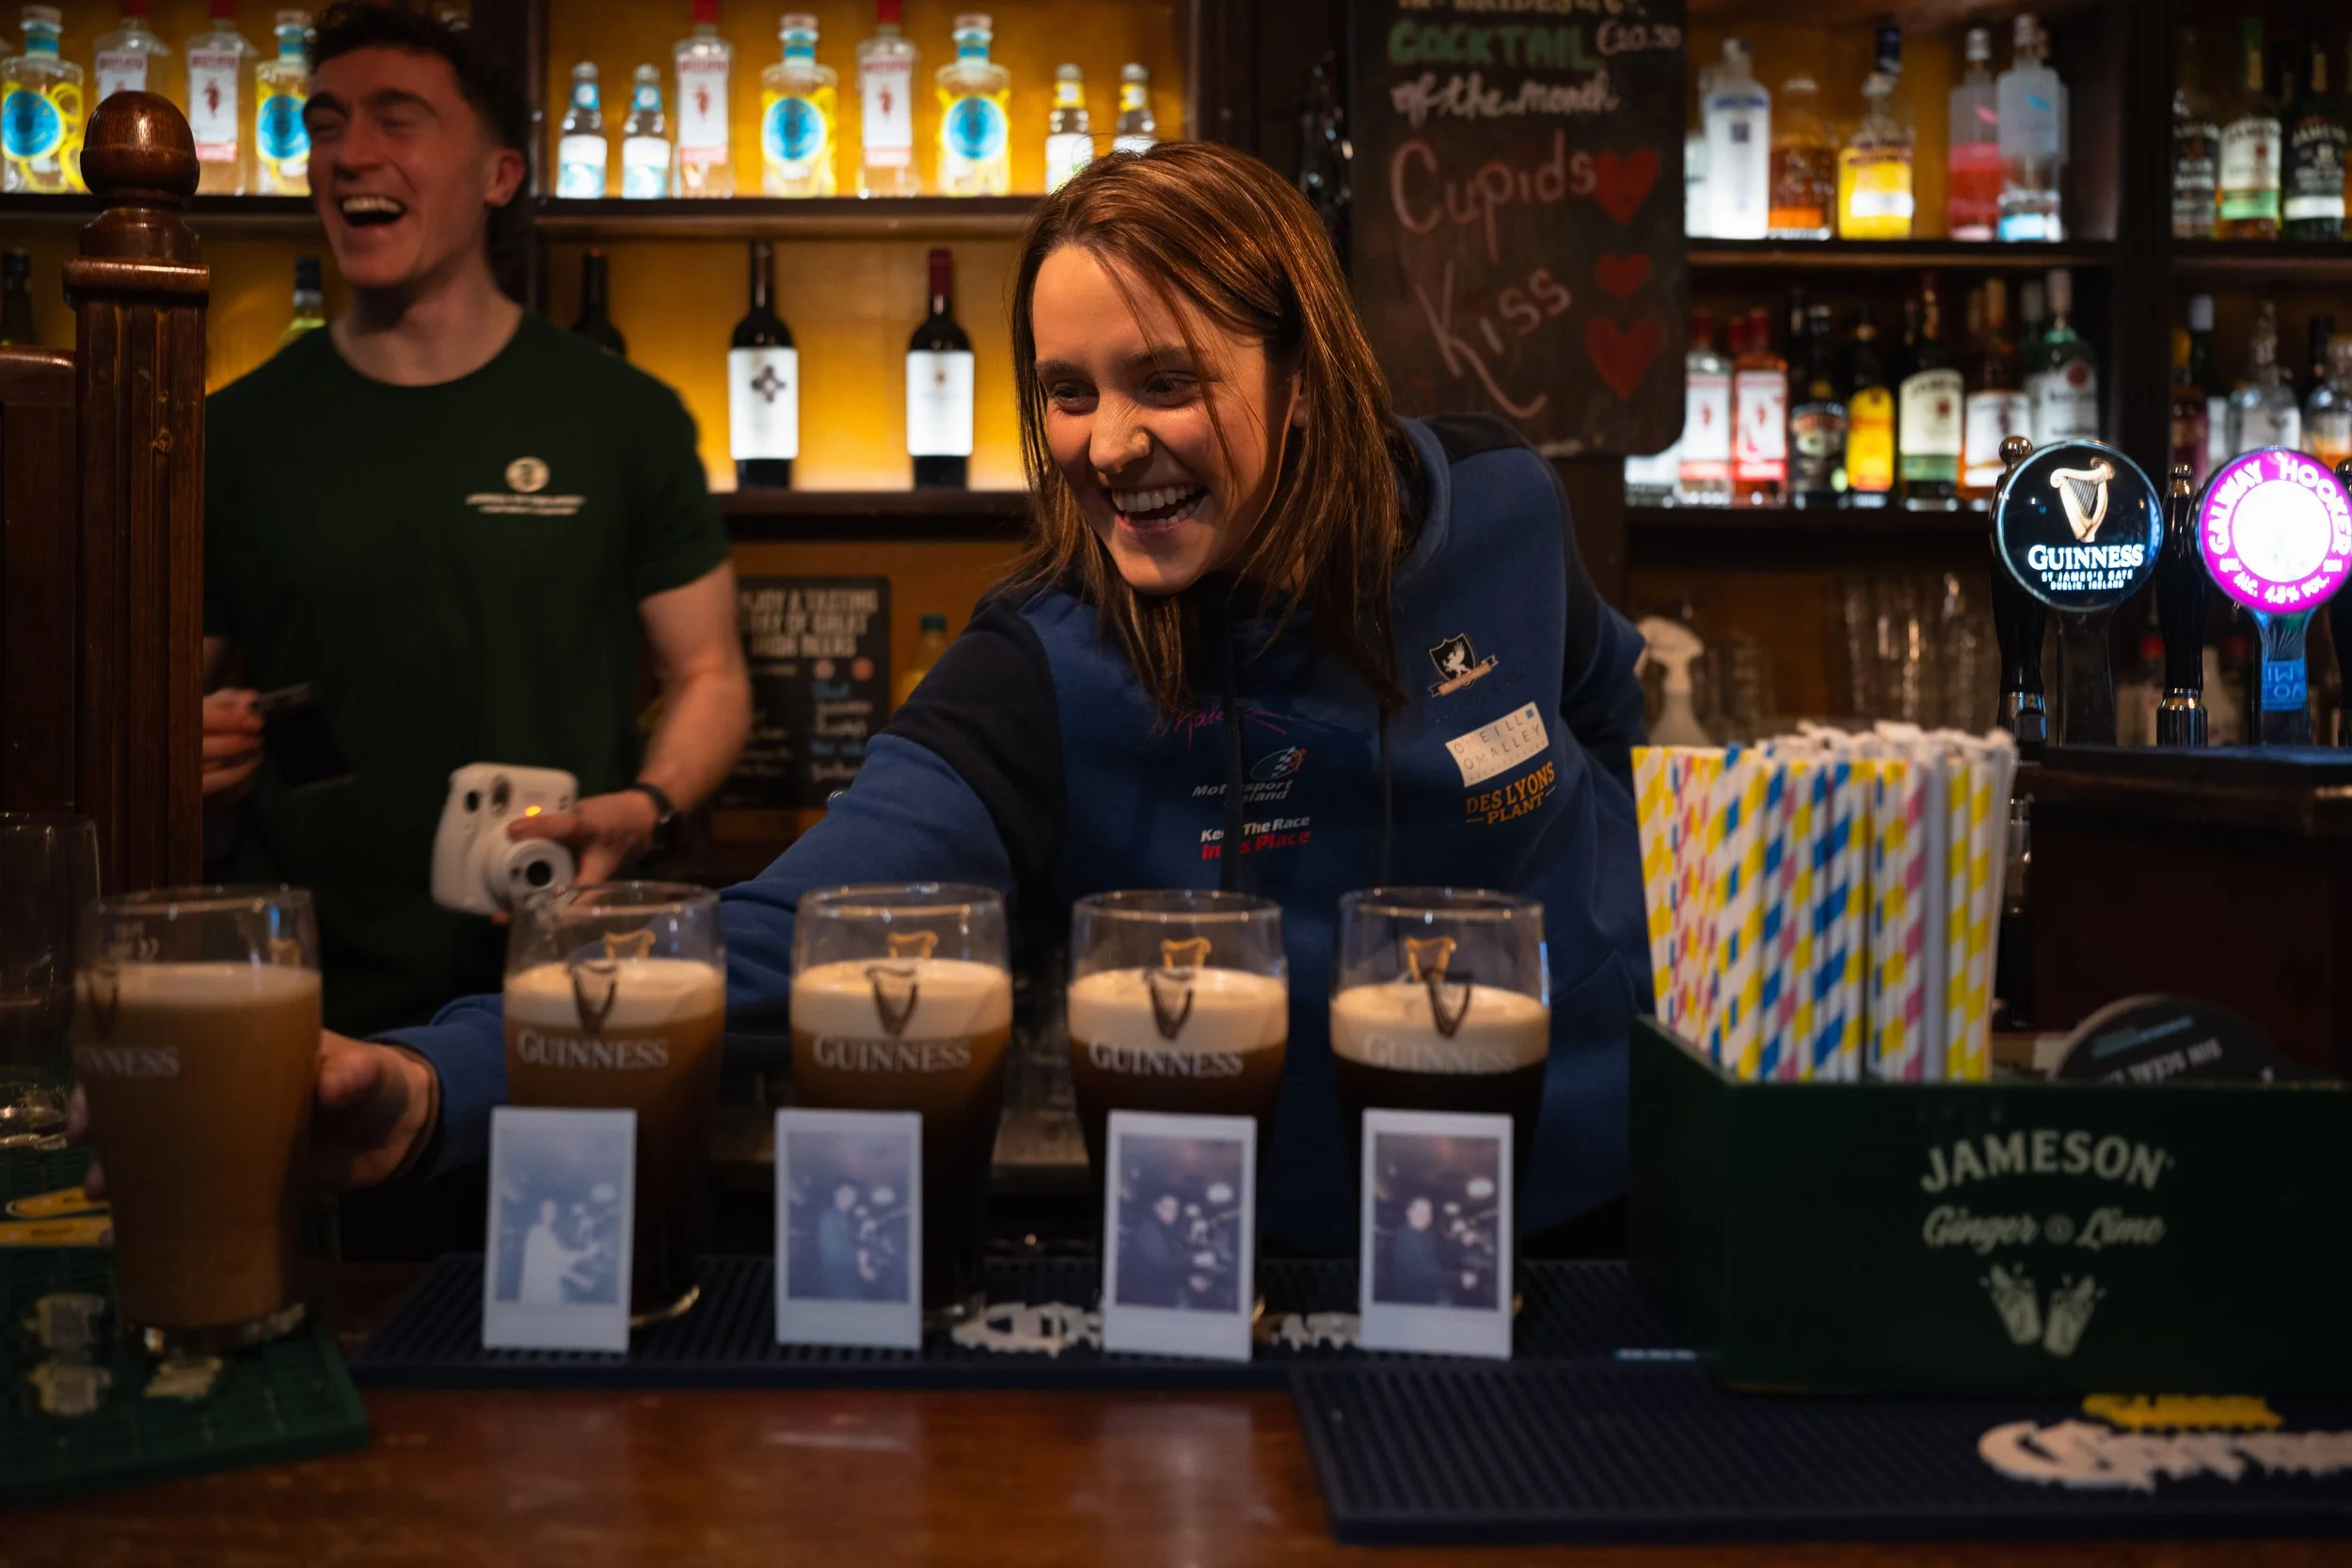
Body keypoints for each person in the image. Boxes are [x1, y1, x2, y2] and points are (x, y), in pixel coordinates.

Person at [285, 139, 1650, 1254]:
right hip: (1268, 1273)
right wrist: (429, 1082)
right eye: (1067, 393)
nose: (1108, 446)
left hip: (1613, 1217)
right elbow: (778, 932)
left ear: (1301, 374)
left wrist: (1617, 960)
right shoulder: (1042, 666)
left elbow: (1606, 711)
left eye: (1165, 381)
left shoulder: (1499, 511)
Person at [199, 2, 750, 1046]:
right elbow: (170, 694)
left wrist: (646, 806)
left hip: (567, 984)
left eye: (397, 119)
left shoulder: (621, 415)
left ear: (500, 175)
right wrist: (180, 748)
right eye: (324, 124)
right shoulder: (234, 432)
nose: (349, 153)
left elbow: (710, 675)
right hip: (303, 1007)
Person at [514, 1197, 598, 1305]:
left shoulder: (549, 1234)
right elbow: (562, 1258)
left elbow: (554, 1266)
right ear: (540, 1211)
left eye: (554, 1210)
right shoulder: (537, 1233)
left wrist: (580, 1280)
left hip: (547, 1293)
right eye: (548, 1209)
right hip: (538, 1296)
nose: (552, 1213)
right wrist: (586, 1254)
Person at [1121, 1193, 1189, 1308]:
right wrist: (1194, 1259)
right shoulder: (1148, 1227)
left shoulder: (1165, 1229)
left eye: (1176, 1209)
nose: (1174, 1213)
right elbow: (1162, 1260)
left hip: (1156, 1295)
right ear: (1156, 1207)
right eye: (1169, 1208)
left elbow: (1173, 1257)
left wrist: (1188, 1279)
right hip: (1145, 1299)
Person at [1383, 1195, 1448, 1307]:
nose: (1425, 1216)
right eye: (1419, 1211)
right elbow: (1426, 1274)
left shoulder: (1426, 1235)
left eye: (1428, 1212)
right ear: (1408, 1212)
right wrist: (1460, 1278)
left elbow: (1438, 1260)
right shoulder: (1406, 1237)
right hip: (1410, 1303)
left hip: (1427, 1298)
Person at [815, 1180, 865, 1300]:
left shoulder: (842, 1217)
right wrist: (860, 1261)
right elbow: (834, 1253)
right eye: (844, 1193)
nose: (849, 1198)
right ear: (835, 1193)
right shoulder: (830, 1216)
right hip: (837, 1277)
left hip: (846, 1275)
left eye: (853, 1195)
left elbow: (848, 1241)